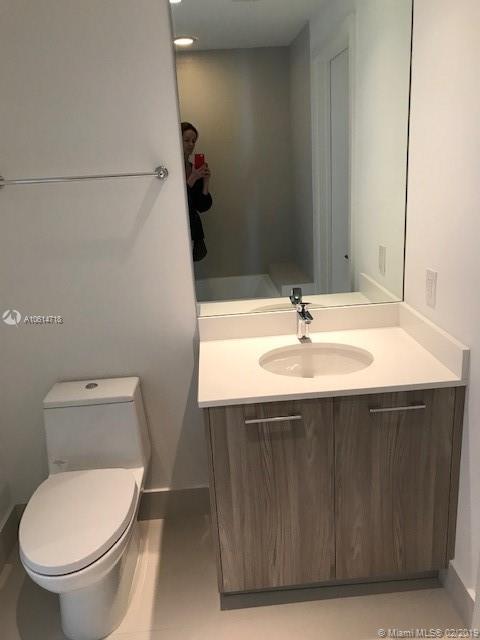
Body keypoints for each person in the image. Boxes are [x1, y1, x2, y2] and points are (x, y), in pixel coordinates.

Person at [181, 122, 213, 262]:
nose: (191, 144)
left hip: (194, 230)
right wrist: (192, 178)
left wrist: (206, 181)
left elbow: (202, 207)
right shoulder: (172, 170)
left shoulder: (194, 169)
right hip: (175, 226)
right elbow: (177, 202)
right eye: (187, 140)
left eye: (194, 141)